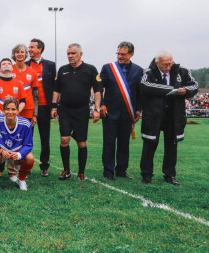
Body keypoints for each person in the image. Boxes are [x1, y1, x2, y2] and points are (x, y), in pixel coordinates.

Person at [139, 50, 198, 185]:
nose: (168, 67)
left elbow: (194, 85)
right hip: (154, 116)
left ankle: (170, 175)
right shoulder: (148, 72)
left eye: (170, 64)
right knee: (149, 145)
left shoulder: (182, 71)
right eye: (164, 65)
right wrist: (172, 89)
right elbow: (144, 86)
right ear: (157, 63)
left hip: (174, 116)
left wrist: (186, 91)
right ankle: (146, 175)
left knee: (172, 146)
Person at [51, 43, 102, 181]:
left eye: (73, 53)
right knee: (64, 139)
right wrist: (54, 106)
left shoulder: (90, 69)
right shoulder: (62, 70)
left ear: (80, 54)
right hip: (65, 110)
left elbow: (97, 90)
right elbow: (56, 90)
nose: (70, 56)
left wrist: (97, 109)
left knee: (81, 143)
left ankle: (81, 172)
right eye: (68, 53)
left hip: (82, 111)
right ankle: (66, 170)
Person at [99, 42, 143, 180]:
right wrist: (101, 105)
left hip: (127, 113)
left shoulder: (139, 70)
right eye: (118, 54)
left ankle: (121, 171)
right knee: (109, 142)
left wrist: (138, 109)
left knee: (124, 143)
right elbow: (99, 88)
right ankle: (108, 171)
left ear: (131, 54)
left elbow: (139, 92)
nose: (120, 57)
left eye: (123, 54)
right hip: (109, 112)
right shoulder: (108, 68)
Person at [0, 97, 35, 190]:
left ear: (17, 110)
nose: (10, 112)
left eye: (13, 109)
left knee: (30, 158)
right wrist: (1, 151)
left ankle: (21, 180)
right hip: (2, 152)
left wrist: (19, 154)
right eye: (7, 109)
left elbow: (28, 145)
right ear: (3, 110)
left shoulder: (26, 124)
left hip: (16, 152)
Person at [26, 38, 56, 177]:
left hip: (45, 107)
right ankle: (26, 164)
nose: (29, 49)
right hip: (29, 107)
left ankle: (44, 166)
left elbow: (54, 87)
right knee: (27, 137)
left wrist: (54, 106)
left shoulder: (50, 65)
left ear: (40, 49)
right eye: (29, 47)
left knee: (45, 138)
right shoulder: (25, 65)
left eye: (32, 47)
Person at [11, 44, 39, 123]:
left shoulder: (32, 72)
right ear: (14, 54)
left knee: (27, 134)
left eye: (22, 52)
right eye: (17, 52)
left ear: (26, 54)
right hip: (12, 108)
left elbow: (35, 95)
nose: (20, 54)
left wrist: (35, 114)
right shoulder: (9, 70)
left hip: (28, 109)